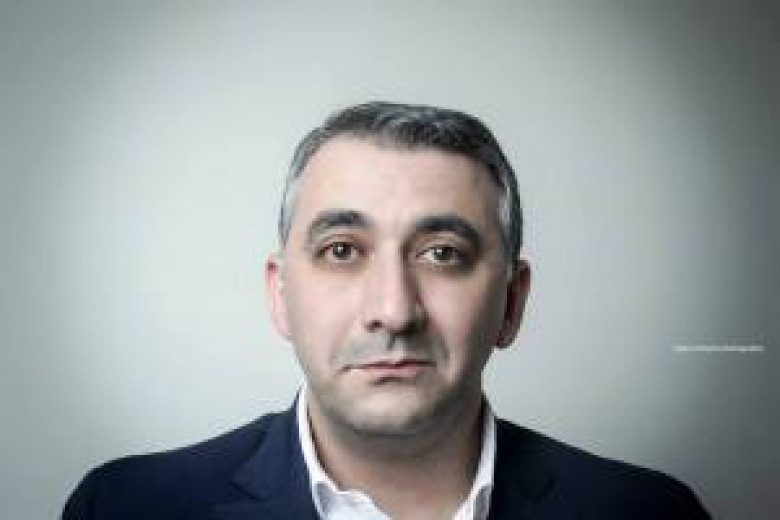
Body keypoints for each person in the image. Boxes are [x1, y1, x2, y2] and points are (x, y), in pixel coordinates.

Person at [62, 101, 709, 519]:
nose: (394, 311)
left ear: (512, 303)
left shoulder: (651, 513)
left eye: (442, 254)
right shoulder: (122, 508)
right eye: (342, 250)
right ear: (280, 295)